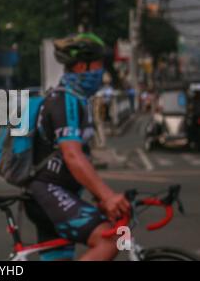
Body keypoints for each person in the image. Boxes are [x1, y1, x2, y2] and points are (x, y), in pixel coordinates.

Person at [24, 33, 130, 261]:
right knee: (112, 239)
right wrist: (108, 196)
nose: (101, 72)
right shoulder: (65, 100)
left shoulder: (76, 99)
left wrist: (100, 198)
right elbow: (72, 155)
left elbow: (80, 159)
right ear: (82, 66)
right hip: (49, 192)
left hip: (56, 193)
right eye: (99, 65)